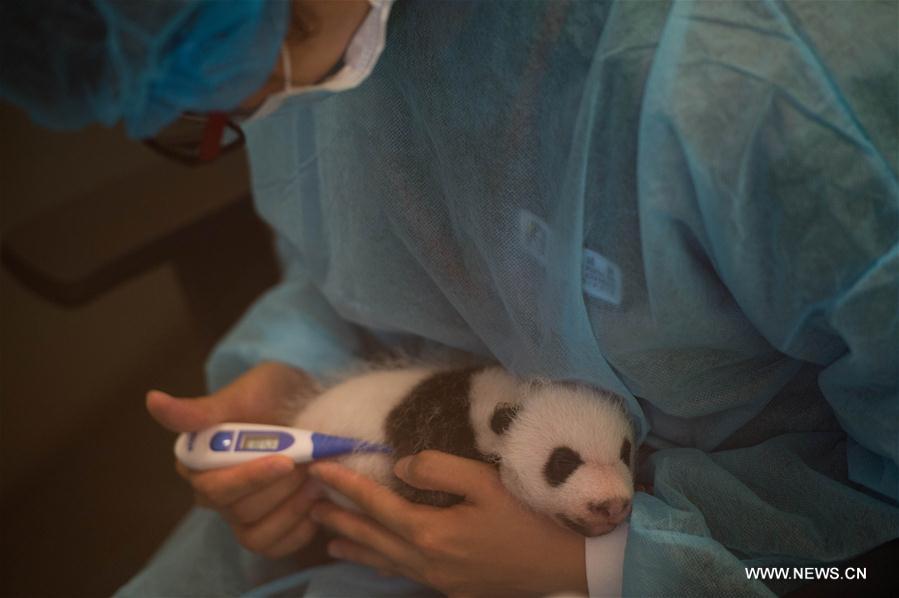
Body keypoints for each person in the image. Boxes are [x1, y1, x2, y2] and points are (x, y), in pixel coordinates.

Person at [2, 1, 897, 596]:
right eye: (201, 115)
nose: (256, 104)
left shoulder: (766, 84)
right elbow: (348, 275)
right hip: (380, 505)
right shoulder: (329, 46)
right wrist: (303, 382)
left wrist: (607, 566)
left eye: (271, 62)